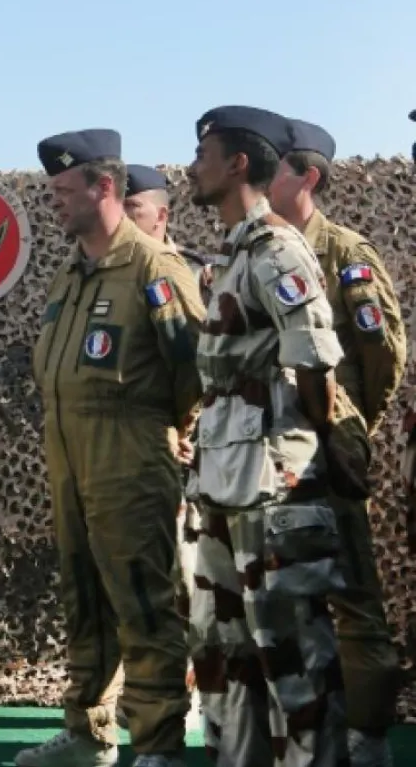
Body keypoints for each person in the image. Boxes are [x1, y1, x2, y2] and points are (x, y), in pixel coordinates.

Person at [21, 130, 202, 767]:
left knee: (144, 605)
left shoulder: (154, 268)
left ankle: (157, 746)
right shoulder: (69, 274)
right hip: (71, 460)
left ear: (105, 188)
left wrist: (168, 434)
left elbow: (196, 373)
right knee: (85, 598)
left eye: (64, 192)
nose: (54, 204)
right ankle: (88, 734)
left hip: (130, 460)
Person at [184, 105, 349, 767]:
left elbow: (315, 361)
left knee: (294, 655)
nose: (192, 167)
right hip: (224, 482)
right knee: (227, 656)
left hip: (273, 482)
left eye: (203, 154)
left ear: (238, 164)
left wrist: (307, 452)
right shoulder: (233, 252)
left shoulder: (277, 247)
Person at [265, 118, 404, 767]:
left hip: (329, 445)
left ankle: (368, 733)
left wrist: (351, 428)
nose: (263, 182)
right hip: (271, 455)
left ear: (308, 176)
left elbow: (382, 353)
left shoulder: (345, 252)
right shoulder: (259, 252)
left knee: (352, 595)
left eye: (276, 170)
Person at [112, 162, 206, 734]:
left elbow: (200, 368)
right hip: (129, 460)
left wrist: (187, 433)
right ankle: (139, 698)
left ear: (161, 214)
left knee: (186, 582)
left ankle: (186, 693)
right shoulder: (103, 273)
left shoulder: (194, 272)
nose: (123, 219)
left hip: (187, 460)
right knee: (134, 583)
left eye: (134, 210)